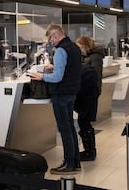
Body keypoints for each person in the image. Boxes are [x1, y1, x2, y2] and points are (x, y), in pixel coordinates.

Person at [28, 24, 82, 175]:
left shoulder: (60, 50)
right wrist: (54, 67)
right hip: (71, 93)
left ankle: (69, 164)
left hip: (61, 94)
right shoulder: (74, 47)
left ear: (55, 36)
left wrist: (41, 76)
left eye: (50, 38)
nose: (49, 41)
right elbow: (69, 68)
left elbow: (58, 78)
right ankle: (75, 161)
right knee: (70, 127)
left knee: (64, 129)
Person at [75, 35, 105, 161]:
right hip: (87, 92)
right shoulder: (89, 57)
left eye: (81, 47)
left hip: (89, 93)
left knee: (84, 121)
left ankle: (90, 151)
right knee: (84, 120)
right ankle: (89, 150)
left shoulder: (95, 58)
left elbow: (94, 76)